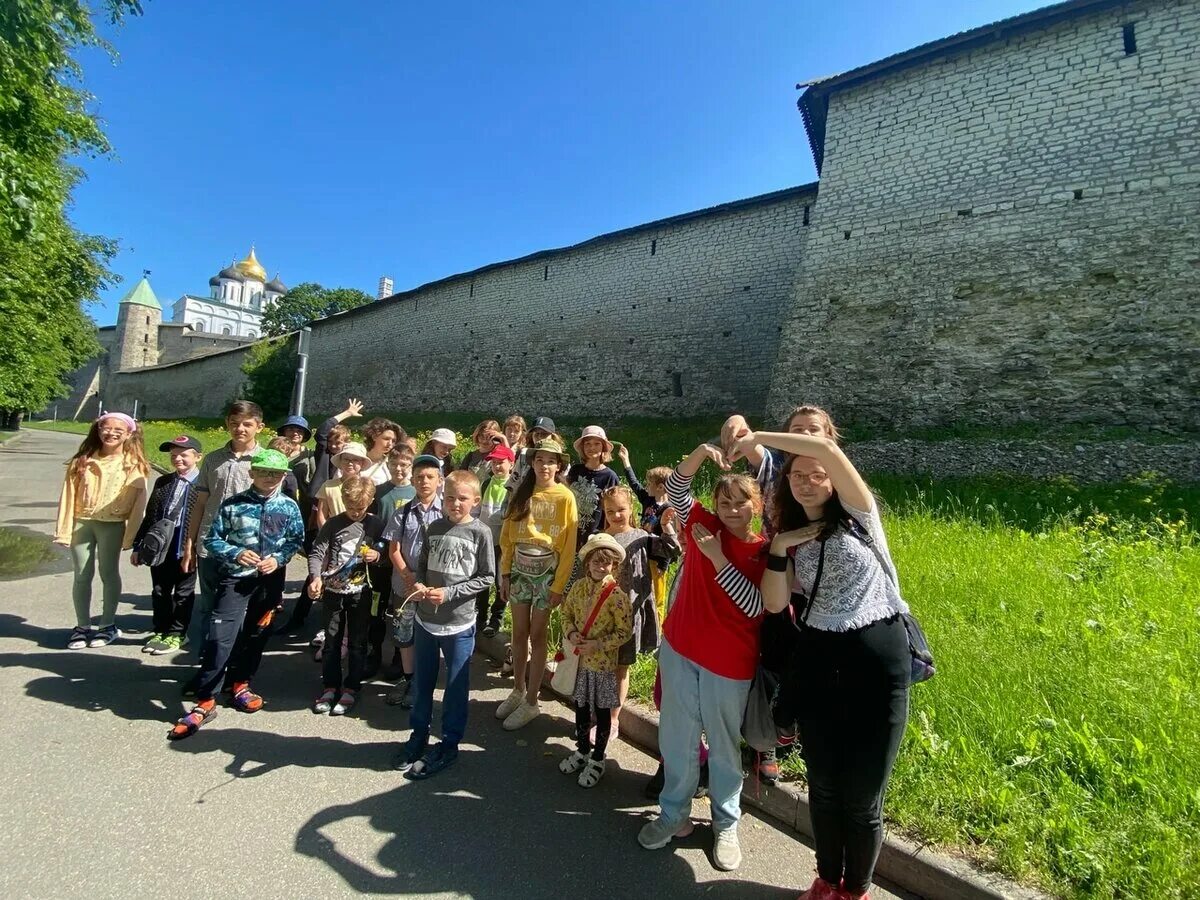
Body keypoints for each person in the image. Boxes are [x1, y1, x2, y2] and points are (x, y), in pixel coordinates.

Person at [735, 428, 909, 900]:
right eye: (797, 476)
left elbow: (827, 450)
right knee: (825, 789)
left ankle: (855, 890)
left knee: (862, 799)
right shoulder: (794, 539)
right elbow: (774, 604)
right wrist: (778, 548)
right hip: (819, 669)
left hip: (878, 671)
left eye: (817, 475)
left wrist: (756, 436)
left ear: (833, 479)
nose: (808, 481)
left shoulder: (860, 516)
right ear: (786, 482)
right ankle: (826, 879)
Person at [637, 442, 767, 874]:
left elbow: (754, 606)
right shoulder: (703, 523)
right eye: (724, 501)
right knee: (677, 736)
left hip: (728, 662)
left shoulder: (764, 551)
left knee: (725, 745)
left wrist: (715, 558)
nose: (731, 510)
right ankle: (673, 814)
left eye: (740, 503)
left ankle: (726, 823)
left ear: (757, 505)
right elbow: (676, 489)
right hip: (681, 648)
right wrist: (697, 453)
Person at [169, 449, 304, 739]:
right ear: (252, 473)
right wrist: (236, 552)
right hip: (235, 579)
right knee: (221, 636)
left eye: (276, 473)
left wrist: (279, 558)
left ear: (283, 476)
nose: (270, 478)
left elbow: (295, 540)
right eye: (264, 472)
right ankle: (205, 698)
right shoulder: (233, 504)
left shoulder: (289, 506)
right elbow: (213, 540)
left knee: (257, 634)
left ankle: (241, 683)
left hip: (269, 581)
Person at [393, 470, 495, 778]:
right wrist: (419, 585)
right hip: (426, 622)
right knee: (423, 684)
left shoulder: (480, 533)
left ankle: (449, 742)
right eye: (449, 497)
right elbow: (422, 566)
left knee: (454, 687)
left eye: (462, 498)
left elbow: (487, 577)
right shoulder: (434, 527)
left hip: (459, 626)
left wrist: (449, 592)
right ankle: (418, 736)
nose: (455, 503)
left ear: (475, 501)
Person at [495, 438, 578, 731]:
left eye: (551, 461)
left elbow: (569, 545)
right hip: (519, 571)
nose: (545, 466)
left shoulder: (565, 497)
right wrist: (505, 574)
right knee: (518, 632)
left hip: (546, 573)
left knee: (538, 633)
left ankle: (532, 699)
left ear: (559, 466)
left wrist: (559, 586)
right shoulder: (522, 492)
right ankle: (517, 689)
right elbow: (506, 536)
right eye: (540, 460)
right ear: (532, 463)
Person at [55, 412, 150, 649]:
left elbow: (139, 506)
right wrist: (64, 530)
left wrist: (132, 538)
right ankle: (82, 626)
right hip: (82, 522)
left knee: (108, 573)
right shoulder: (83, 460)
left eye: (118, 431)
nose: (111, 434)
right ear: (98, 430)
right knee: (82, 575)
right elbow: (67, 496)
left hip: (112, 524)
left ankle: (107, 625)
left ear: (129, 434)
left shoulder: (134, 465)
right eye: (106, 429)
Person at [182, 400, 265, 656]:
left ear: (259, 427)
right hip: (209, 541)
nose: (240, 429)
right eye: (234, 423)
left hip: (246, 547)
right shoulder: (213, 460)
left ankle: (232, 661)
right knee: (209, 604)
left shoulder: (265, 461)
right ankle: (208, 658)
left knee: (239, 606)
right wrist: (189, 543)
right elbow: (200, 504)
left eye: (247, 424)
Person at [602, 484, 680, 732]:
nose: (616, 515)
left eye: (621, 509)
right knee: (601, 665)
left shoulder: (642, 537)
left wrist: (667, 528)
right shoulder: (600, 539)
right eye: (610, 510)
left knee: (620, 667)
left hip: (629, 615)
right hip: (601, 616)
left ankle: (613, 718)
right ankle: (600, 712)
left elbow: (672, 551)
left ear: (631, 508)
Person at [557, 533, 632, 788]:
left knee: (601, 713)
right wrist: (571, 633)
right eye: (596, 561)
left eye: (606, 563)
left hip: (602, 665)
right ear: (587, 562)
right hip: (579, 663)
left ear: (614, 565)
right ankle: (581, 750)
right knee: (579, 708)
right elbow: (565, 613)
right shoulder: (578, 588)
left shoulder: (617, 596)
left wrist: (599, 644)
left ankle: (598, 759)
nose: (601, 567)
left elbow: (624, 631)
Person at [309, 476, 386, 717]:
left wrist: (378, 556)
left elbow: (387, 551)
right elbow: (317, 551)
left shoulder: (376, 524)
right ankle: (330, 685)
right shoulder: (333, 524)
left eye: (360, 508)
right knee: (331, 641)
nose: (354, 513)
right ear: (342, 501)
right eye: (350, 507)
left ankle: (352, 686)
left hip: (361, 593)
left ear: (371, 502)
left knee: (357, 642)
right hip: (332, 591)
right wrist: (315, 577)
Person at [131, 434, 203, 655]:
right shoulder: (163, 481)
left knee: (183, 592)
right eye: (173, 455)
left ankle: (178, 633)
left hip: (187, 546)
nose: (177, 459)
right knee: (160, 590)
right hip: (161, 546)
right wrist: (138, 545)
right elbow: (151, 516)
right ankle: (161, 630)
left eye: (183, 455)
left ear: (198, 457)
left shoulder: (203, 484)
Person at [383, 454, 445, 708]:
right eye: (419, 477)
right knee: (405, 633)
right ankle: (409, 679)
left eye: (430, 477)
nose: (424, 481)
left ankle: (425, 681)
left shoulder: (447, 513)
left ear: (440, 481)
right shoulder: (403, 512)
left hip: (433, 587)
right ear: (413, 480)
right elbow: (393, 549)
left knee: (430, 634)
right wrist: (408, 577)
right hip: (405, 586)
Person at [367, 442, 417, 679]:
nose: (399, 469)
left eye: (404, 465)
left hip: (403, 563)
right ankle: (373, 653)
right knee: (375, 609)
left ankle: (400, 657)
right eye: (395, 464)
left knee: (402, 612)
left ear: (411, 466)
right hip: (379, 562)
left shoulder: (416, 492)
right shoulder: (379, 491)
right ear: (388, 464)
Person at [615, 442, 675, 622]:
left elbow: (671, 538)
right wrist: (626, 462)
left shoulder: (669, 508)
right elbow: (633, 484)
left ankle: (659, 629)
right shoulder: (648, 500)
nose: (646, 486)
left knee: (658, 596)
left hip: (658, 561)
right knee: (641, 590)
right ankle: (642, 622)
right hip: (643, 555)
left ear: (661, 487)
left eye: (649, 483)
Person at [477, 444, 513, 636]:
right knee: (482, 581)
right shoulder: (486, 484)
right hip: (485, 540)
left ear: (511, 463)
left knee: (501, 582)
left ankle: (496, 618)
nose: (497, 466)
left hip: (503, 543)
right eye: (494, 463)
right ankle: (480, 617)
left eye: (501, 462)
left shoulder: (513, 487)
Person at [566, 425, 619, 550]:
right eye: (587, 444)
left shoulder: (609, 476)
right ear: (582, 448)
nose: (592, 448)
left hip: (595, 533)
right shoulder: (575, 470)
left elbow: (612, 508)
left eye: (597, 444)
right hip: (572, 528)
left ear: (603, 447)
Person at [314, 442, 370, 528]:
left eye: (355, 460)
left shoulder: (367, 485)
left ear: (362, 463)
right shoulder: (328, 485)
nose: (350, 463)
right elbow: (321, 514)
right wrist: (325, 533)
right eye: (346, 459)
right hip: (334, 532)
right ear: (340, 461)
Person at [361, 417, 405, 486]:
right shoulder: (356, 459)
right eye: (386, 439)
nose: (390, 443)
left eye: (393, 441)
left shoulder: (390, 464)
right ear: (374, 437)